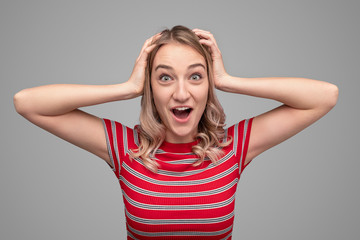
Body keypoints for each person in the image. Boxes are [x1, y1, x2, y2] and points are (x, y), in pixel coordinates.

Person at [13, 25, 338, 239]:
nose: (181, 93)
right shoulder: (126, 148)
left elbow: (325, 96)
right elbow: (27, 102)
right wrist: (126, 88)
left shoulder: (232, 148)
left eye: (196, 77)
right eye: (165, 78)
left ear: (207, 86)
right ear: (150, 87)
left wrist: (227, 81)